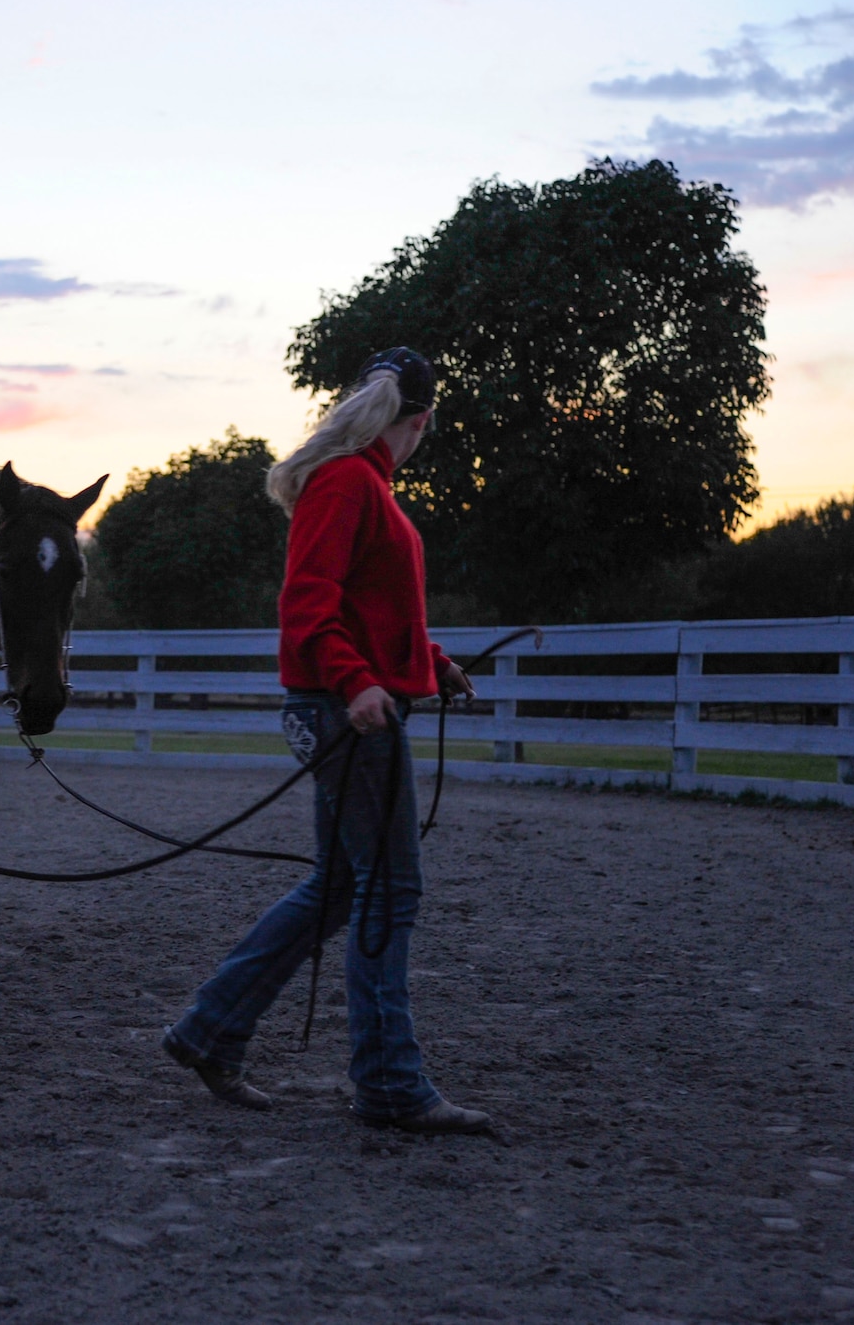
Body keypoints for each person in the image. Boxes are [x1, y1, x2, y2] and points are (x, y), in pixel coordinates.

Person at [161, 347, 490, 1135]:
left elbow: (373, 607)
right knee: (389, 888)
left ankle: (210, 1029)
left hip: (350, 704)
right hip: (347, 715)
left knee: (341, 887)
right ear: (419, 421)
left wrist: (428, 663)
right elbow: (308, 603)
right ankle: (386, 1082)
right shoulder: (349, 482)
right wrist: (356, 683)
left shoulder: (363, 484)